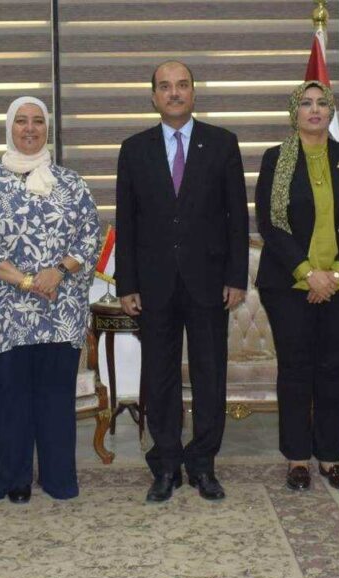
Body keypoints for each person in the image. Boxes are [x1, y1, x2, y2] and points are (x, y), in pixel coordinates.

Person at [114, 60, 249, 503]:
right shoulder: (134, 149)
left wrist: (236, 276)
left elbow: (236, 217)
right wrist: (127, 283)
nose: (174, 93)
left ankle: (203, 463)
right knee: (160, 376)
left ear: (194, 92)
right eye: (165, 86)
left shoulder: (223, 143)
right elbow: (126, 222)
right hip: (154, 285)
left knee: (210, 375)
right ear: (153, 96)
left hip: (209, 282)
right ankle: (167, 464)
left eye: (182, 85)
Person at [0, 96, 100, 503]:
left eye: (37, 121)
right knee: (11, 398)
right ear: (9, 128)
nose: (29, 128)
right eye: (21, 121)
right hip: (4, 313)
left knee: (56, 398)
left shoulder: (71, 183)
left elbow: (89, 236)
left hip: (60, 310)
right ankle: (15, 478)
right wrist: (26, 281)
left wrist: (58, 271)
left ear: (47, 128)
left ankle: (59, 477)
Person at [255, 81, 339, 491]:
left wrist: (336, 274)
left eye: (322, 102)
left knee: (334, 370)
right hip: (289, 285)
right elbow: (271, 223)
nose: (314, 109)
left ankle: (329, 457)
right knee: (295, 370)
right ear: (295, 112)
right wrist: (308, 273)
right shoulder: (276, 159)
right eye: (306, 103)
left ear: (331, 111)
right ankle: (297, 459)